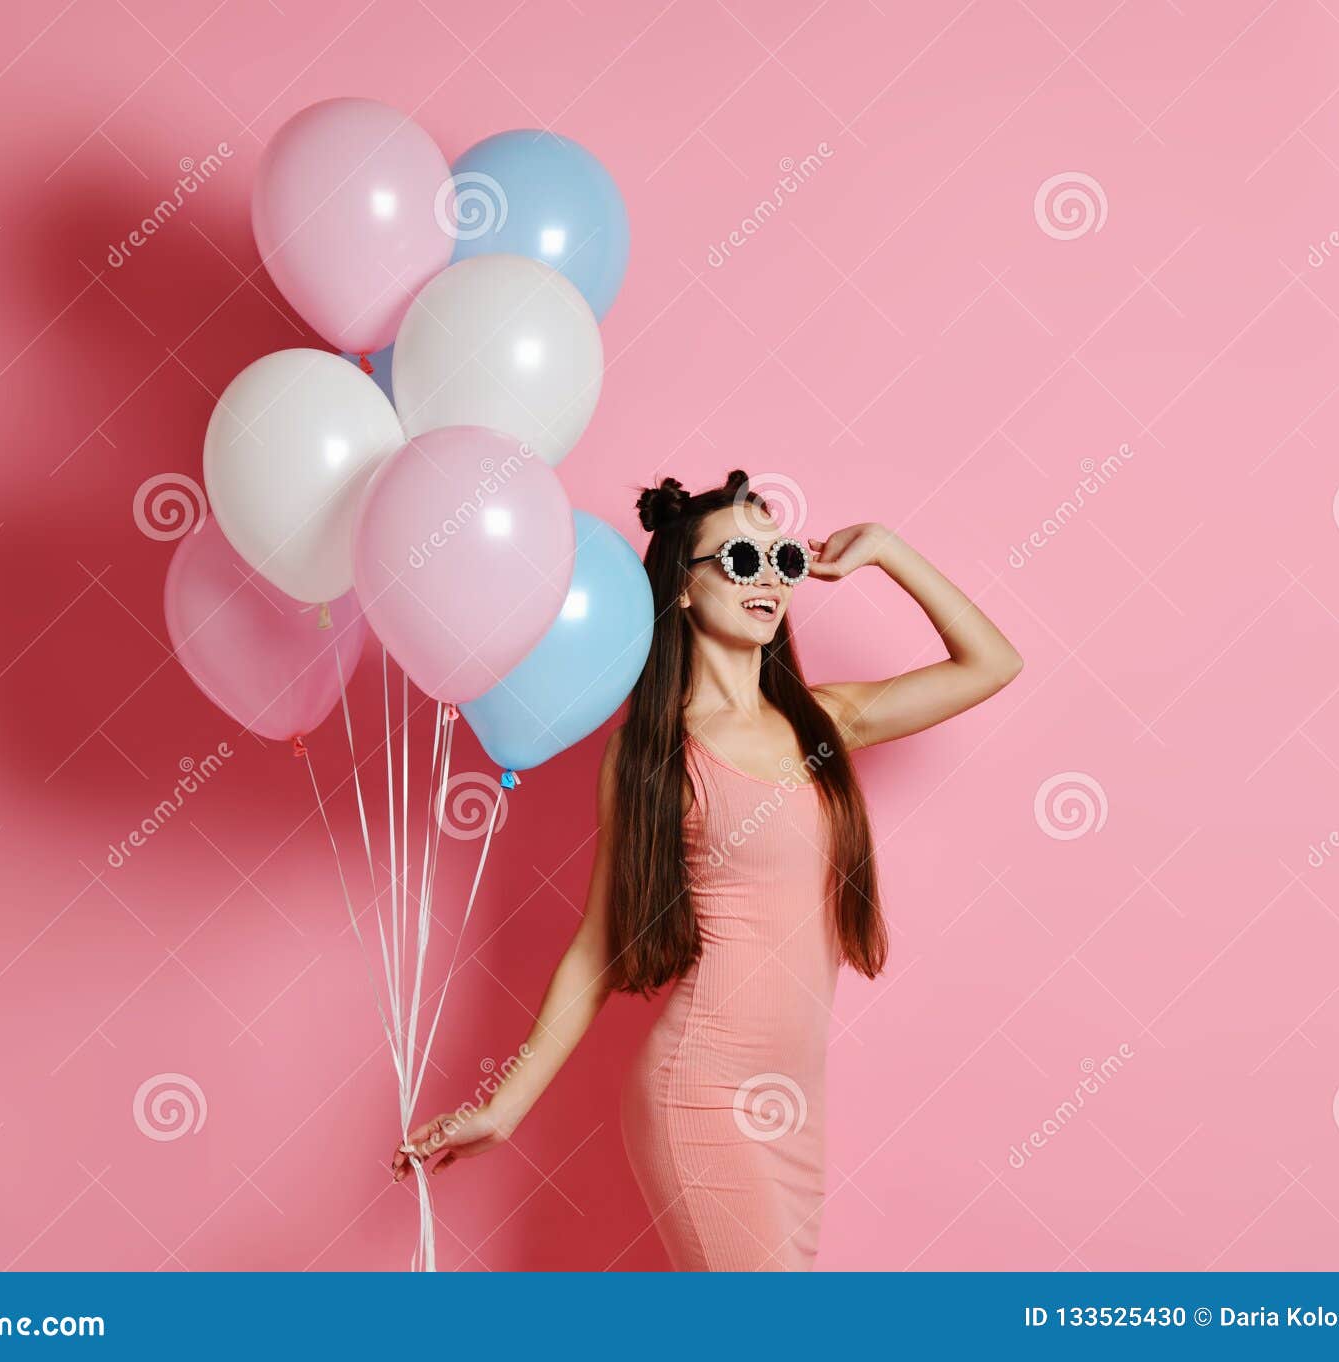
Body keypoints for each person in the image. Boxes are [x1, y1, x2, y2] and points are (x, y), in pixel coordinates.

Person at [393, 469, 1024, 1269]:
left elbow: (991, 664)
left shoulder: (822, 723)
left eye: (783, 558)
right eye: (738, 559)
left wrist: (889, 550)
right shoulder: (653, 752)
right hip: (701, 1092)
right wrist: (504, 1108)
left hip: (792, 1103)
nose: (768, 576)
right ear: (683, 591)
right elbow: (599, 944)